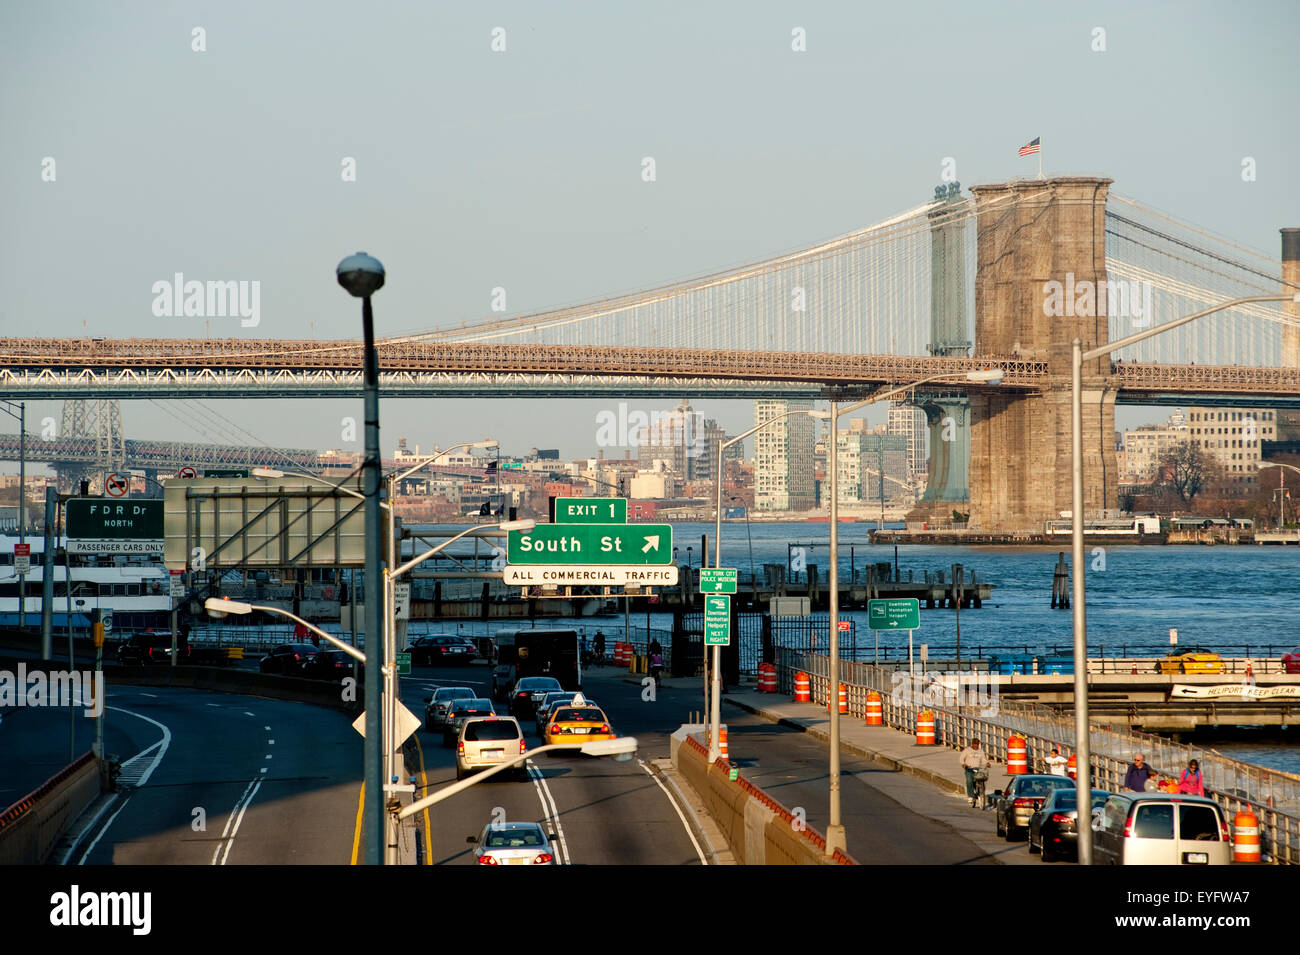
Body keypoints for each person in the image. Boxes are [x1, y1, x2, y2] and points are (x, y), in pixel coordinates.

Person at [959, 739, 991, 806]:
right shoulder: (967, 750)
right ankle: (971, 796)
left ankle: (981, 793)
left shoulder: (981, 751)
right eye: (975, 744)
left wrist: (987, 763)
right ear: (972, 744)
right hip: (969, 768)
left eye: (977, 744)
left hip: (978, 769)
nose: (976, 745)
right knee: (969, 781)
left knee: (982, 778)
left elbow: (983, 760)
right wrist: (963, 764)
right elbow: (961, 758)